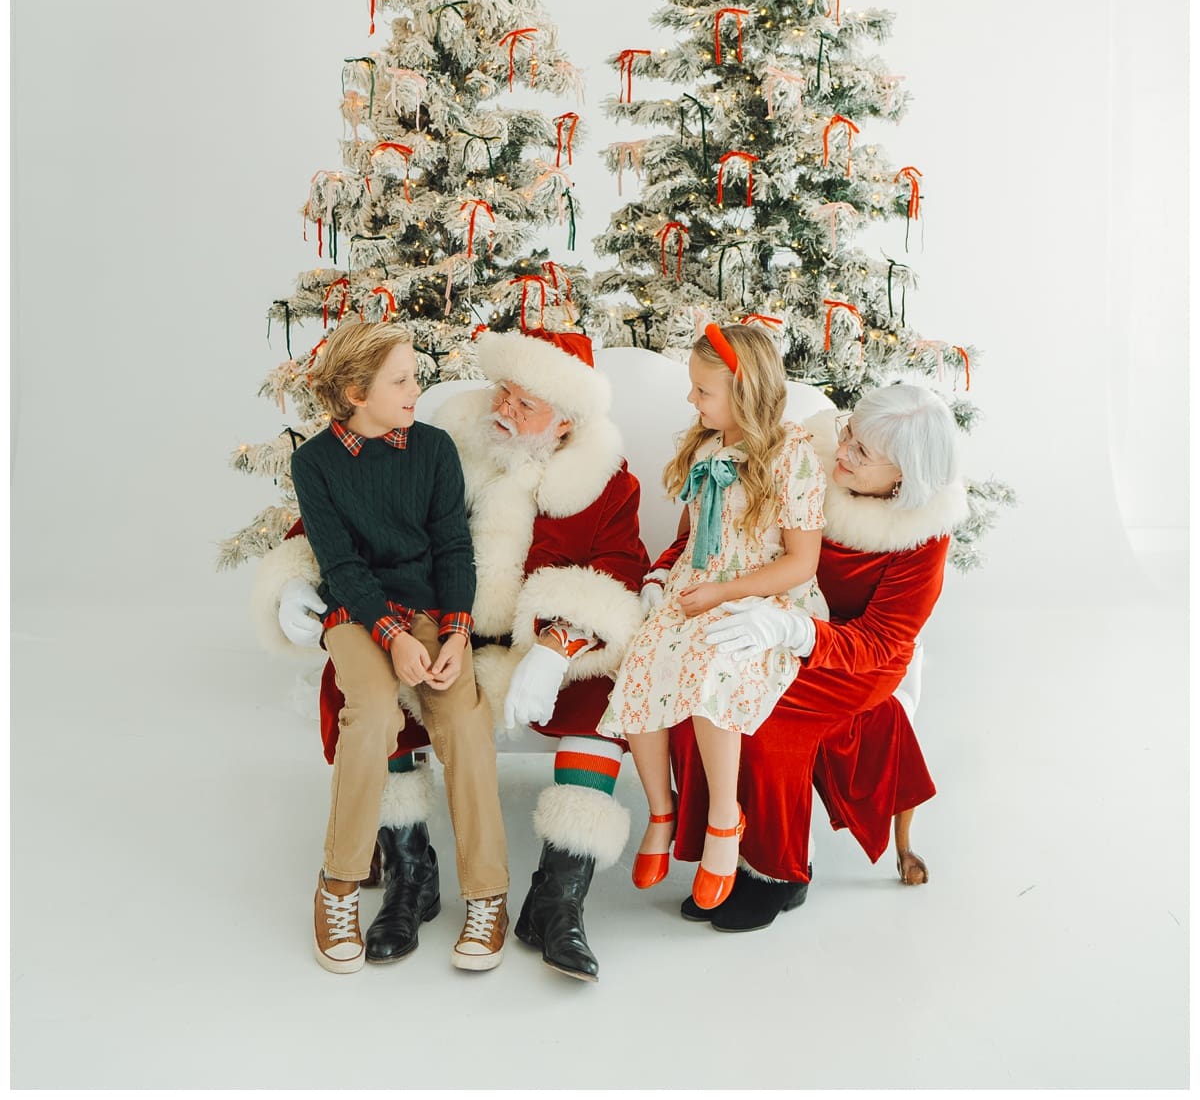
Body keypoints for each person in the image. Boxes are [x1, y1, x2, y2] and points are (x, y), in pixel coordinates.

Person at [255, 325, 647, 981]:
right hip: (427, 621)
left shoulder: (606, 483)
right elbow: (336, 527)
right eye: (503, 391)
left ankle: (557, 898)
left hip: (528, 644)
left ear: (567, 418)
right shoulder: (452, 444)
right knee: (384, 706)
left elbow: (620, 574)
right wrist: (293, 579)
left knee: (598, 706)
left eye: (525, 403)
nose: (504, 409)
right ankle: (411, 875)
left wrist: (557, 644)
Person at [665, 382, 968, 933]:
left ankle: (778, 872)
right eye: (848, 432)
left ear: (904, 474)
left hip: (852, 661)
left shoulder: (923, 536)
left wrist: (792, 630)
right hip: (768, 621)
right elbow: (717, 527)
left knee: (760, 719)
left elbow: (882, 643)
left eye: (863, 453)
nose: (843, 451)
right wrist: (662, 574)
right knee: (695, 698)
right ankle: (720, 844)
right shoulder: (804, 460)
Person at [288, 319, 508, 974]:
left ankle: (487, 894)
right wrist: (389, 636)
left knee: (464, 720)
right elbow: (341, 565)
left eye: (416, 375)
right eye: (403, 380)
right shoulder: (315, 464)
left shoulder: (434, 450)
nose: (419, 387)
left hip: (432, 613)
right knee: (375, 717)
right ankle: (340, 883)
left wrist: (457, 632)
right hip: (358, 617)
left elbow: (452, 549)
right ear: (356, 392)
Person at [599, 323, 826, 910]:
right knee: (641, 663)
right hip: (697, 586)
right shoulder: (706, 444)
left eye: (703, 391)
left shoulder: (792, 454)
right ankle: (661, 809)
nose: (691, 401)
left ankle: (725, 819)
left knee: (711, 667)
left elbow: (800, 562)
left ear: (745, 392)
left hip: (763, 596)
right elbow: (693, 534)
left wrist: (728, 594)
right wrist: (662, 581)